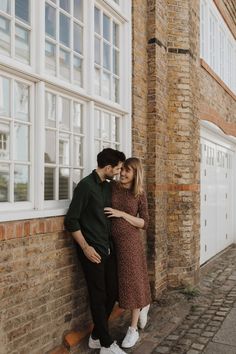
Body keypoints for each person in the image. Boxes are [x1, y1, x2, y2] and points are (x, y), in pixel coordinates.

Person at [64, 148, 127, 354]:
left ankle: (96, 336)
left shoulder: (108, 187)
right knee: (98, 295)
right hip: (91, 251)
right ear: (108, 167)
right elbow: (71, 220)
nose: (118, 172)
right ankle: (107, 344)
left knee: (113, 291)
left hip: (108, 248)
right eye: (117, 169)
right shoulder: (85, 186)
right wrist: (86, 247)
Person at [104, 157, 151, 349]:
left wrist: (122, 214)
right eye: (122, 169)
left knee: (132, 283)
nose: (123, 173)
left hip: (130, 245)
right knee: (120, 283)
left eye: (127, 171)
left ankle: (133, 329)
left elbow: (144, 223)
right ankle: (144, 303)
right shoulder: (112, 187)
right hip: (112, 244)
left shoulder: (139, 193)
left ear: (135, 174)